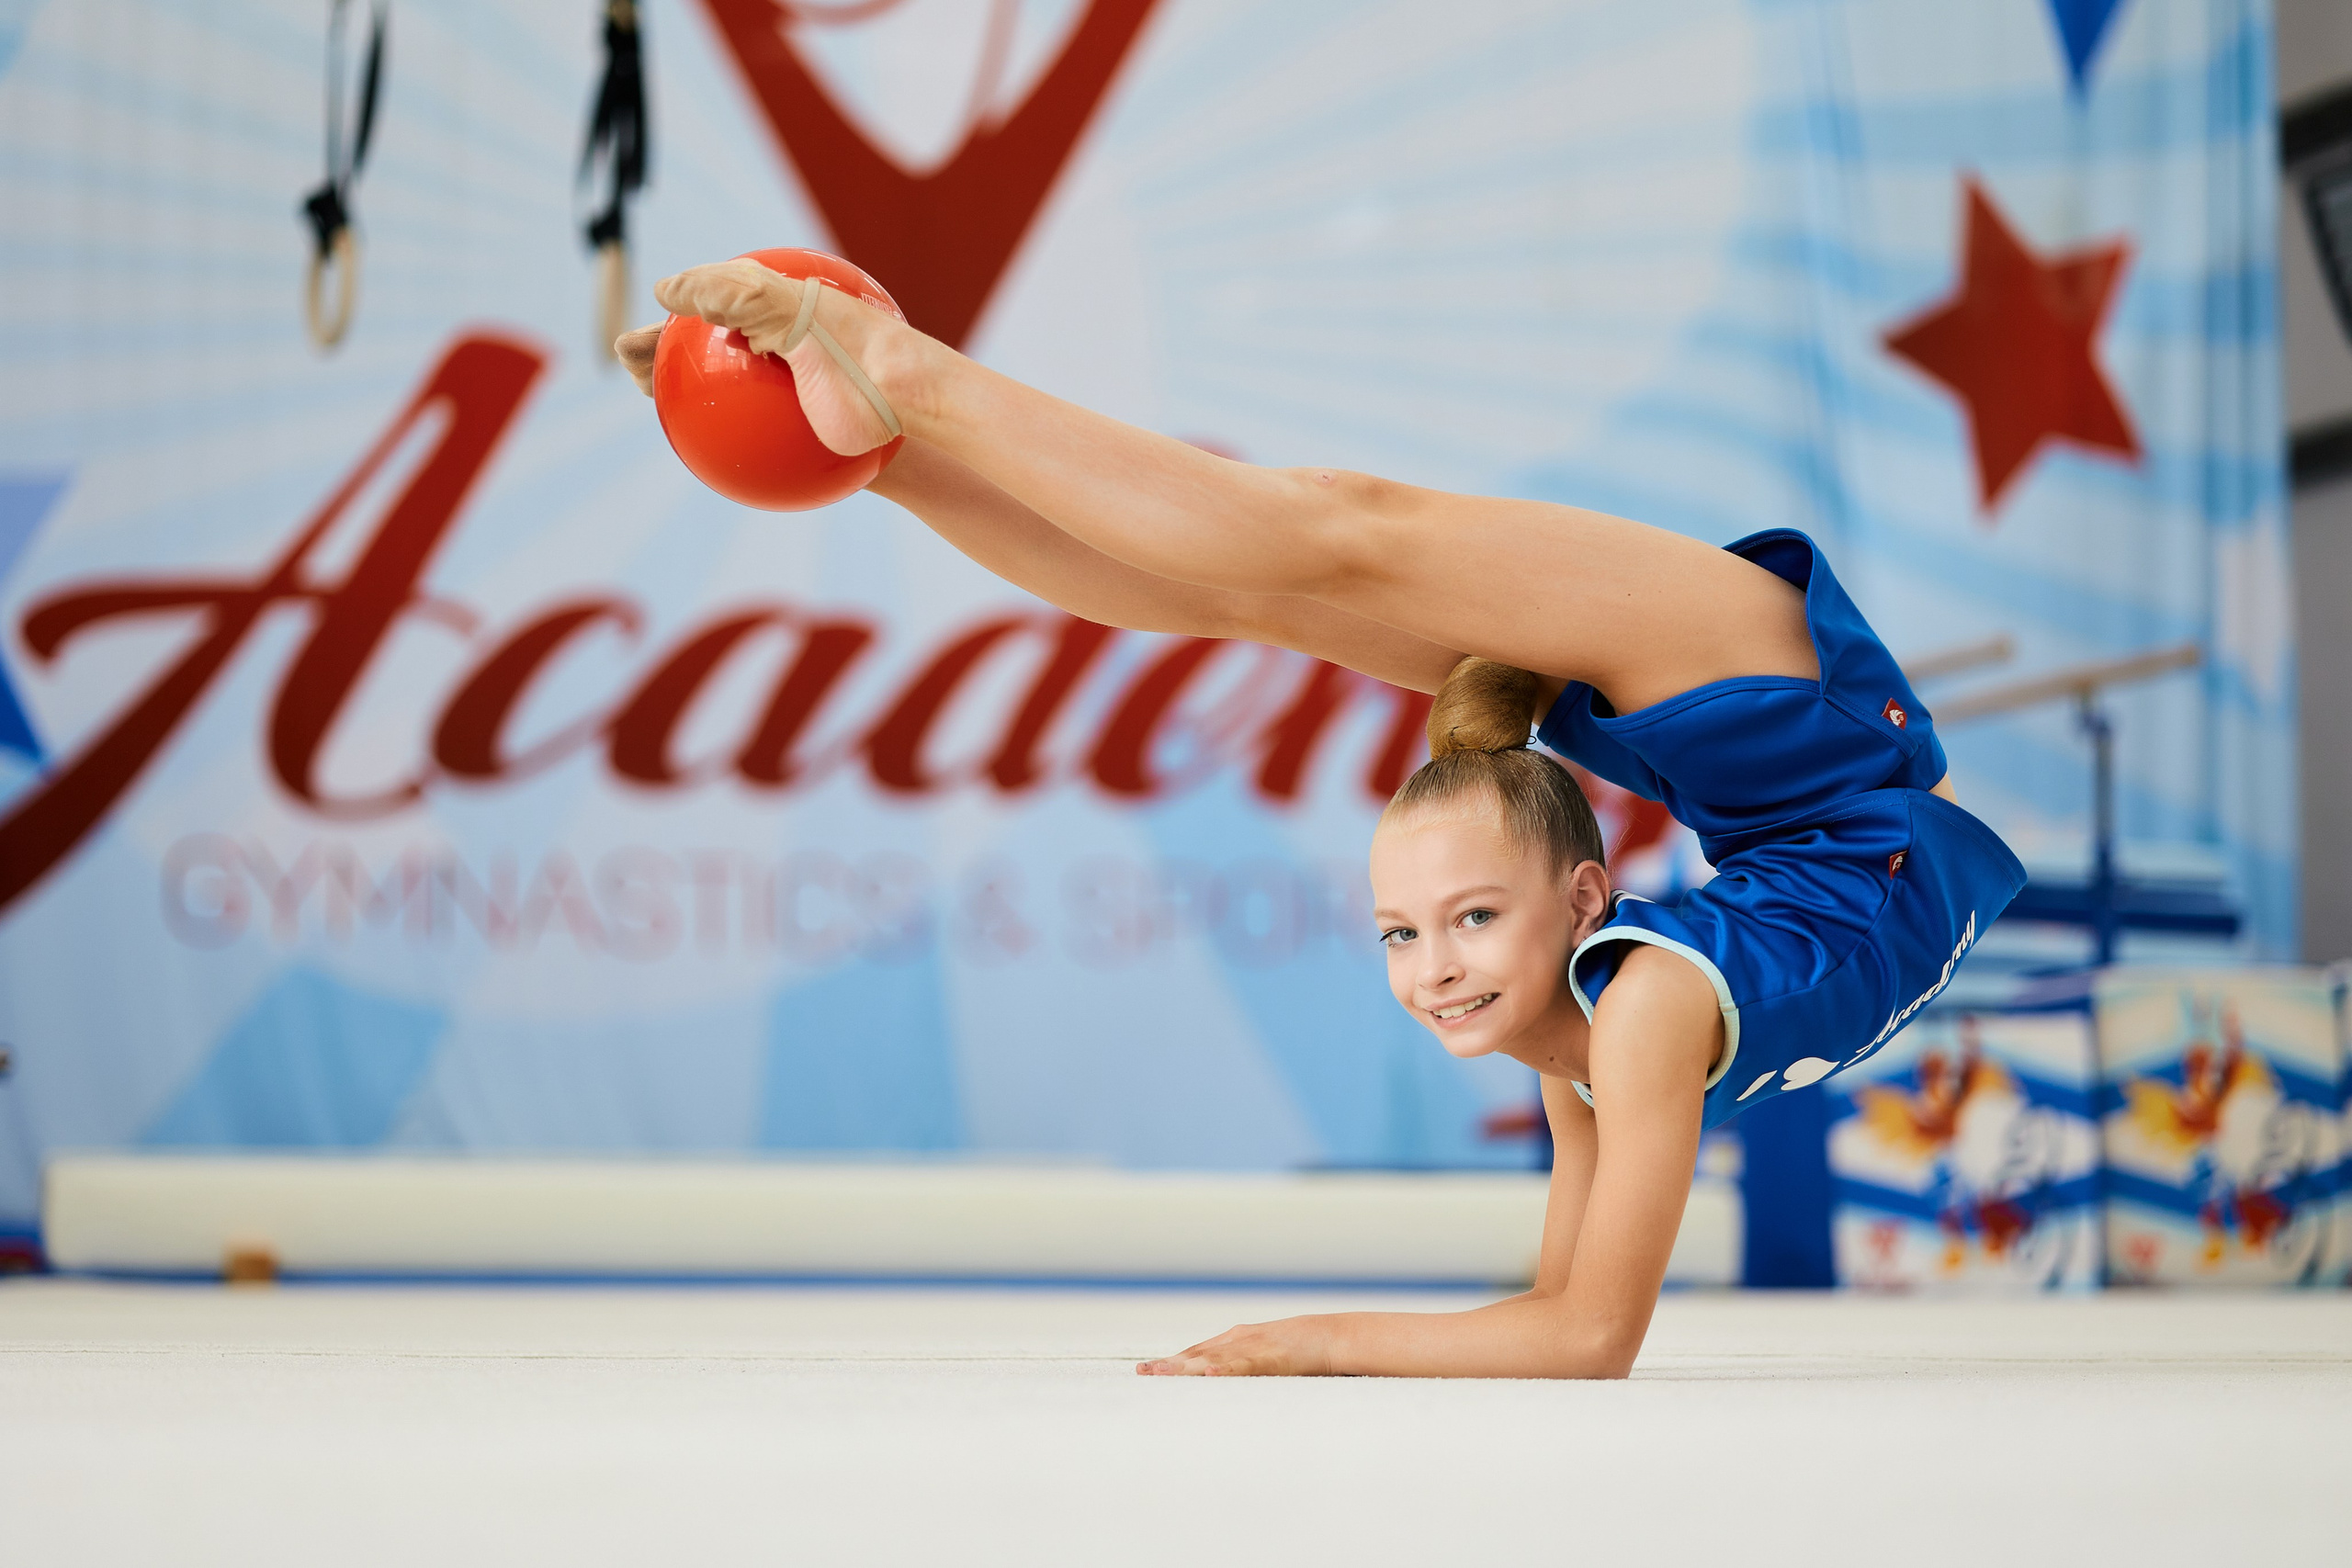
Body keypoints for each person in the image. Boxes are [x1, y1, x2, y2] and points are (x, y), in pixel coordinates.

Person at [614, 262, 2028, 1379]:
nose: (1438, 969)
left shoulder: (1599, 1030)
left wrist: (1310, 1340)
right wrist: (1327, 1346)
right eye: (1419, 930)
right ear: (1585, 899)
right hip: (1818, 742)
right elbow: (1584, 1336)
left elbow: (1569, 1327)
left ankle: (887, 441)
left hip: (1792, 785)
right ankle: (901, 394)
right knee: (1332, 532)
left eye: (1456, 923)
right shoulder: (1629, 1014)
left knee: (1272, 584)